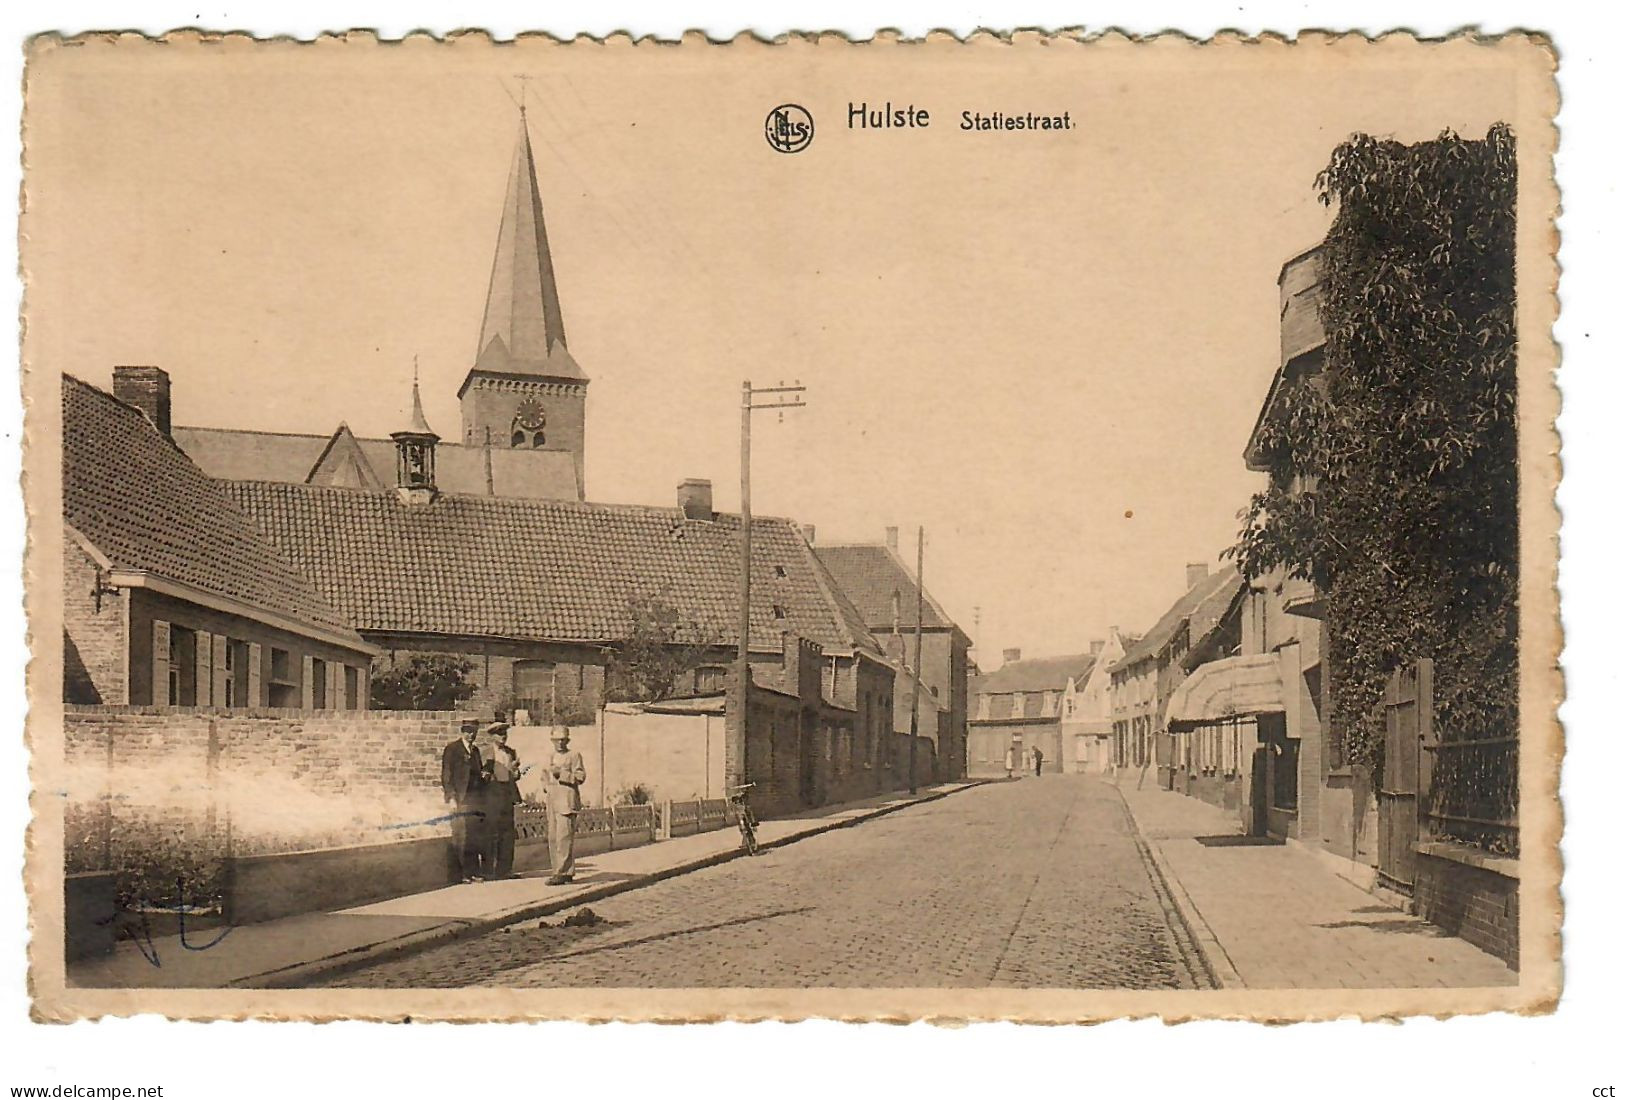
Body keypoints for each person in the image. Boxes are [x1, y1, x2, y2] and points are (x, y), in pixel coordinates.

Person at [440, 718, 487, 882]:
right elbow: (446, 776)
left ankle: (472, 872)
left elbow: (477, 774)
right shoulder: (452, 749)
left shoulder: (475, 752)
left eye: (474, 731)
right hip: (460, 800)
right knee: (461, 836)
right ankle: (460, 875)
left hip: (474, 800)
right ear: (462, 732)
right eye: (468, 731)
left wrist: (483, 777)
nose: (471, 735)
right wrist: (451, 798)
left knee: (473, 836)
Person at [544, 726, 587, 885]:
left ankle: (562, 873)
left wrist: (561, 775)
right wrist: (546, 786)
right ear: (552, 741)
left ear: (567, 740)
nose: (560, 743)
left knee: (564, 838)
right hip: (552, 801)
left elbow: (580, 776)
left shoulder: (574, 755)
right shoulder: (550, 756)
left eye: (563, 740)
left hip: (567, 802)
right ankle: (560, 871)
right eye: (557, 740)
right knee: (553, 839)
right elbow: (544, 775)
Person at [481, 721, 522, 879]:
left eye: (505, 733)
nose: (503, 736)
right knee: (491, 833)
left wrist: (516, 772)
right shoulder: (486, 752)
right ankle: (488, 870)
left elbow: (514, 775)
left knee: (507, 833)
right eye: (499, 733)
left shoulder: (510, 752)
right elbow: (481, 774)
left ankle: (505, 870)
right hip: (492, 794)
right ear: (492, 736)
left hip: (507, 794)